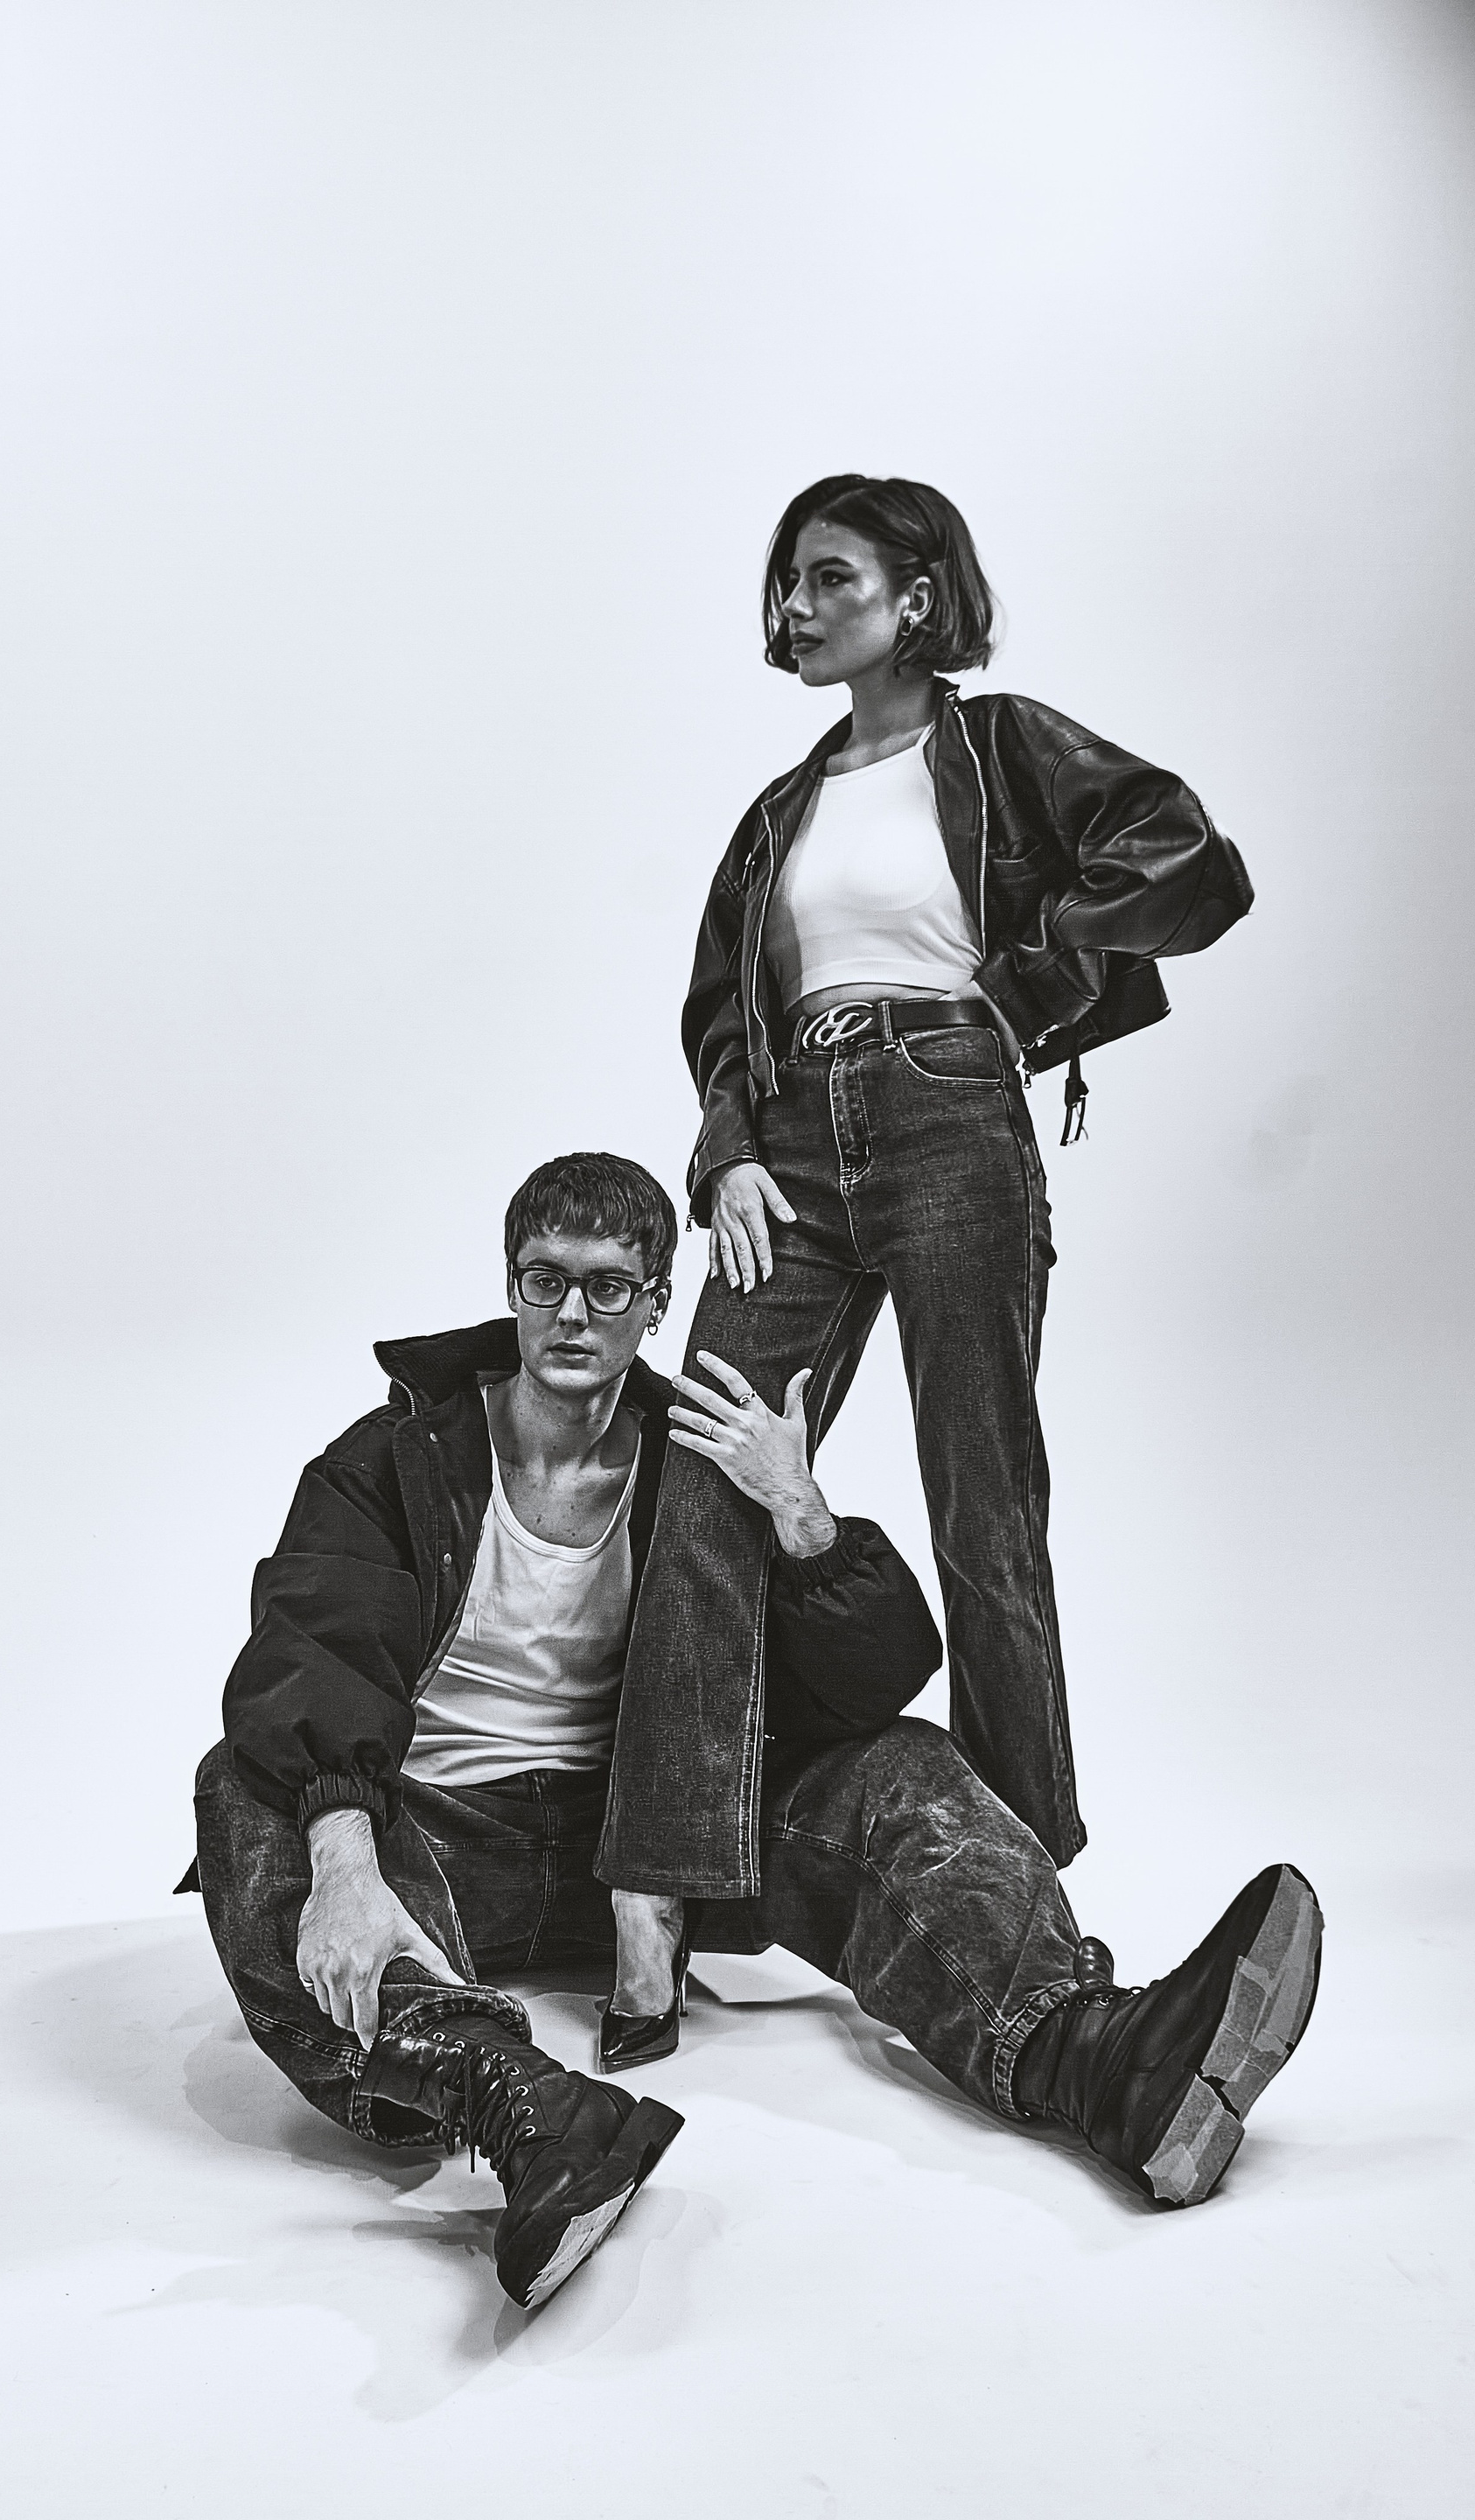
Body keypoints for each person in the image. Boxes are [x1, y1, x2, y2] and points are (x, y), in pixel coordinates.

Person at [187, 1152, 1321, 2315]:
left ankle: (1099, 2060)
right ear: (511, 1286)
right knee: (249, 1793)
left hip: (647, 1842)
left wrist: (800, 1511)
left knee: (900, 1769)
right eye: (545, 1279)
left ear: (656, 1305)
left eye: (608, 1286)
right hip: (439, 1848)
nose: (572, 1313)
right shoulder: (396, 1458)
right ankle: (531, 2110)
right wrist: (345, 1864)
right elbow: (310, 1652)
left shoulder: (704, 1454)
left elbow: (867, 1688)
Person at [599, 473, 1255, 2020]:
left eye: (830, 578)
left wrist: (1017, 994)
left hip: (952, 1111)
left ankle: (1024, 1898)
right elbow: (720, 1014)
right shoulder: (778, 816)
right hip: (788, 1152)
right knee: (704, 1473)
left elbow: (1189, 859)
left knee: (983, 1502)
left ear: (917, 595)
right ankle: (656, 1890)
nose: (798, 608)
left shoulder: (1003, 747)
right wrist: (726, 1152)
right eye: (787, 584)